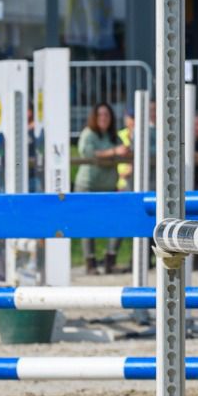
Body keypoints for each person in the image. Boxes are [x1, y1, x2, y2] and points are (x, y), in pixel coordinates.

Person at [76, 102, 129, 274]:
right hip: (88, 186)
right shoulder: (88, 134)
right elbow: (88, 154)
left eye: (107, 115)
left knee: (118, 221)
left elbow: (125, 152)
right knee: (86, 224)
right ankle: (90, 262)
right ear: (94, 117)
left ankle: (110, 259)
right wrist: (114, 152)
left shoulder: (113, 136)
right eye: (100, 115)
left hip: (109, 186)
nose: (104, 118)